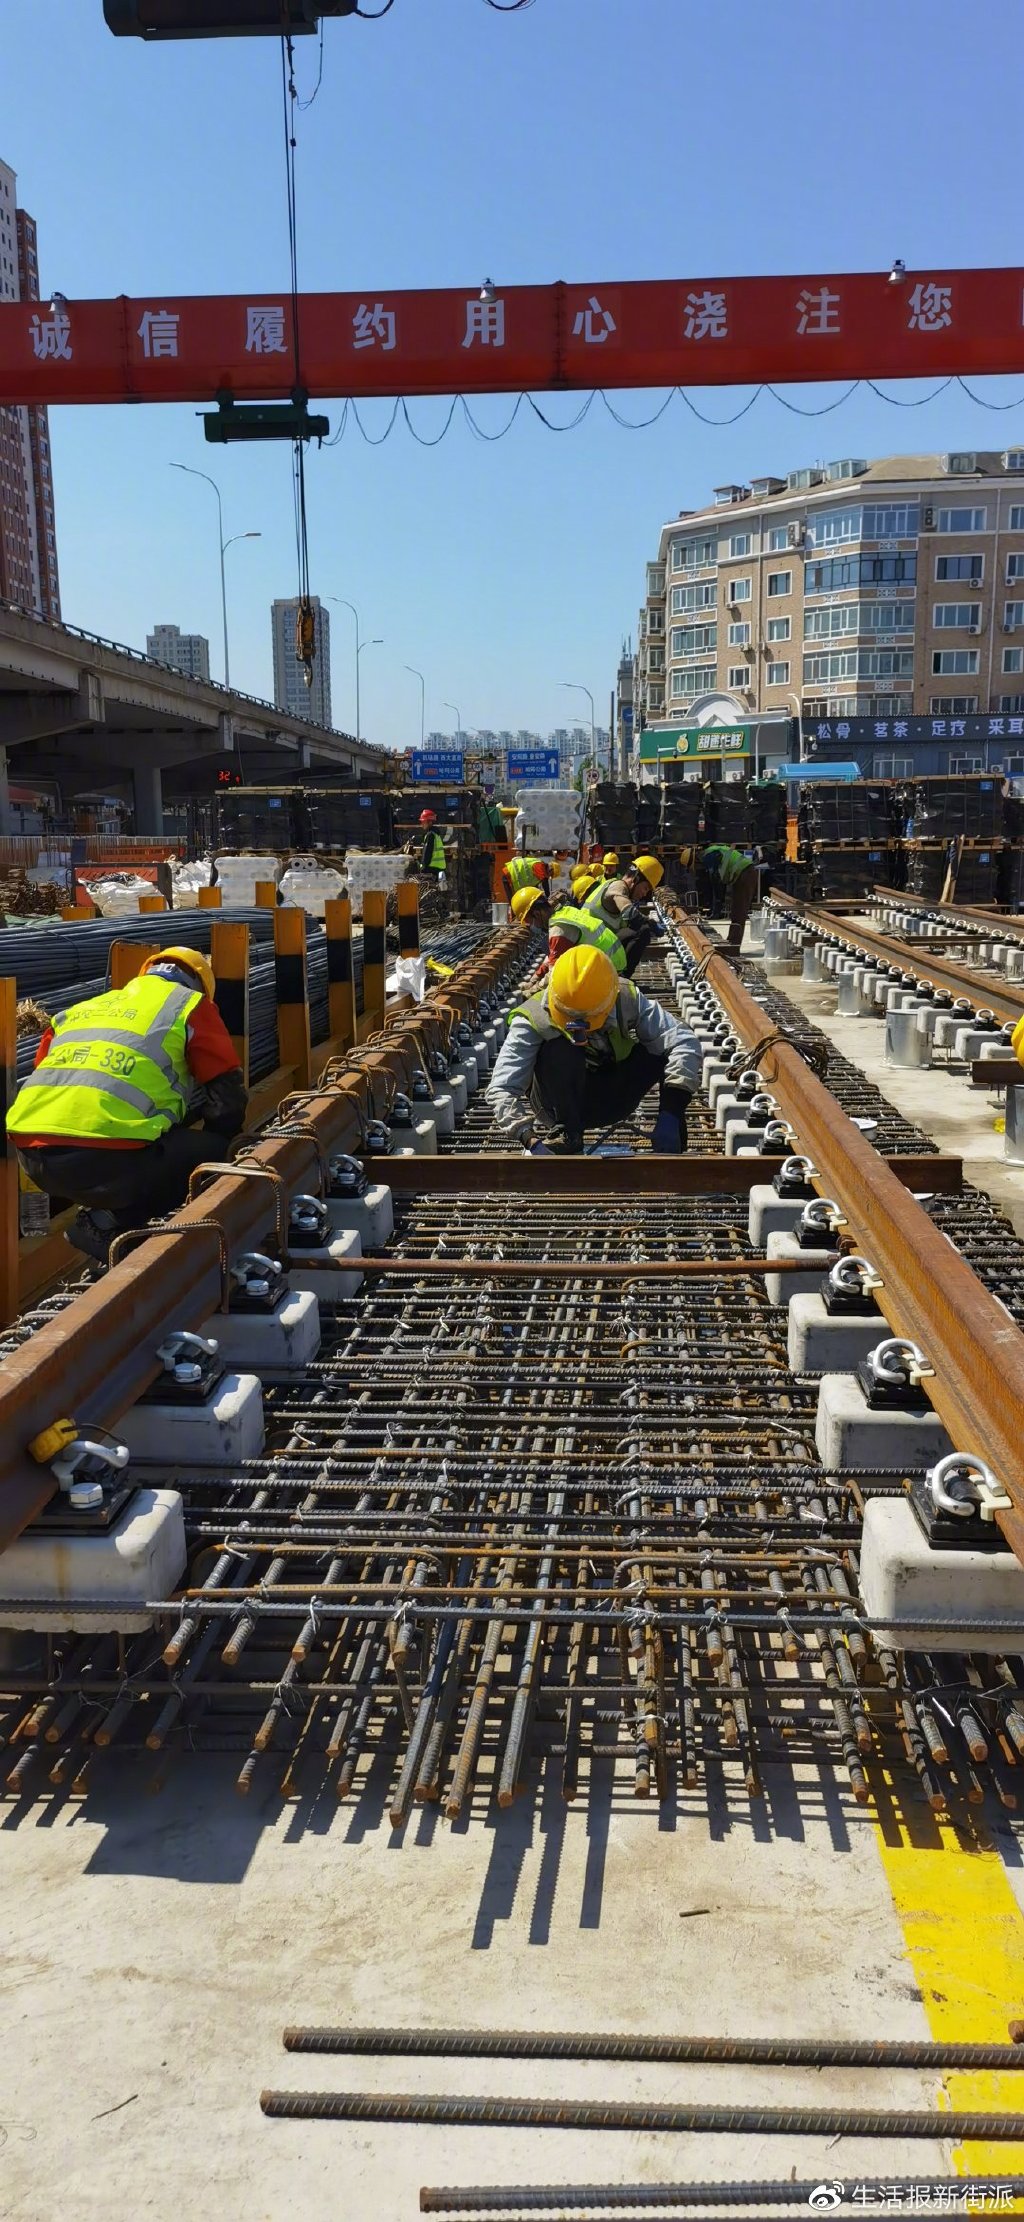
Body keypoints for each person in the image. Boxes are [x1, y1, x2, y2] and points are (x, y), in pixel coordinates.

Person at [7, 946, 247, 1263]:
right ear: (202, 985)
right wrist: (223, 1144)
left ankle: (113, 1224)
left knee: (157, 1151)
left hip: (30, 1156)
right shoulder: (190, 1005)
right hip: (107, 1161)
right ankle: (106, 1223)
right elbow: (225, 1098)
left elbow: (47, 1073)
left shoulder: (84, 1009)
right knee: (213, 1156)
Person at [486, 944, 701, 1155]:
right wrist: (528, 1138)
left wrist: (672, 1110)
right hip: (555, 1105)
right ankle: (567, 1133)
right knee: (558, 1046)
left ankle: (671, 1134)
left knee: (665, 1044)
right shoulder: (532, 1016)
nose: (581, 1027)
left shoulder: (625, 997)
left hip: (614, 1098)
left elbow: (683, 1042)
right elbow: (502, 1088)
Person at [582, 853, 666, 976]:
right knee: (642, 931)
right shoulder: (618, 886)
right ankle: (622, 978)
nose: (644, 894)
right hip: (588, 948)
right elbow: (629, 913)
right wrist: (650, 922)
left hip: (592, 943)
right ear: (636, 879)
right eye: (645, 888)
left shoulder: (615, 886)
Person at [547, 891, 628, 975]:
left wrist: (537, 985)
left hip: (609, 966)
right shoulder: (568, 912)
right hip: (617, 960)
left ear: (537, 914)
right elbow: (552, 956)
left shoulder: (559, 927)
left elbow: (554, 972)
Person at [697, 843, 760, 951]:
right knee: (737, 911)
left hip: (745, 874)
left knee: (739, 911)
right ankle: (732, 941)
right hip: (743, 873)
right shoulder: (714, 850)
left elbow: (718, 875)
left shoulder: (708, 855)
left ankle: (734, 945)